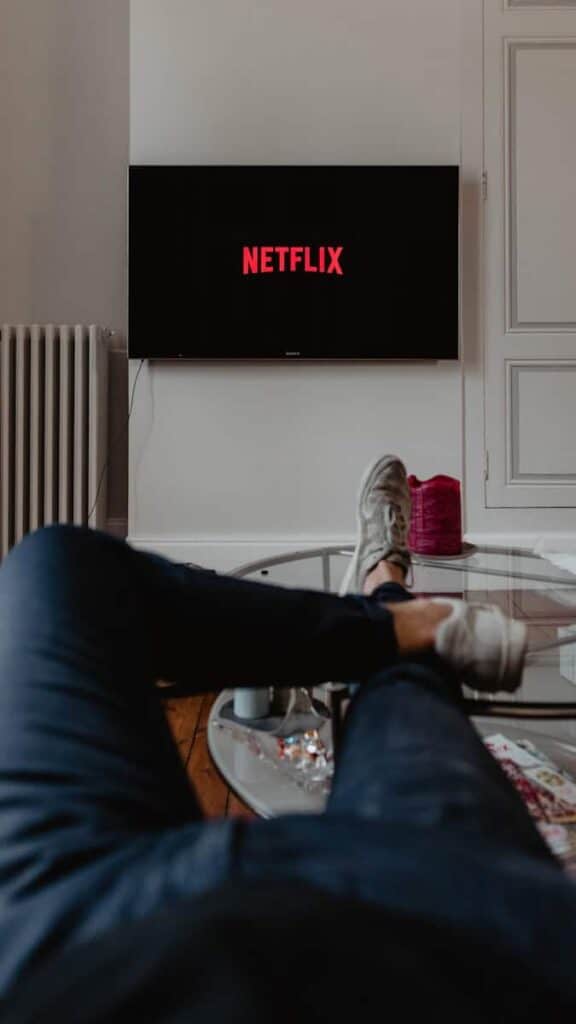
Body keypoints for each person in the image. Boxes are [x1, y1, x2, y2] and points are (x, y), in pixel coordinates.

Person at [1, 456, 576, 1022]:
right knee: (404, 678)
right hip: (459, 931)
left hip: (72, 941)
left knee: (59, 563)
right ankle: (390, 594)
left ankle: (385, 615)